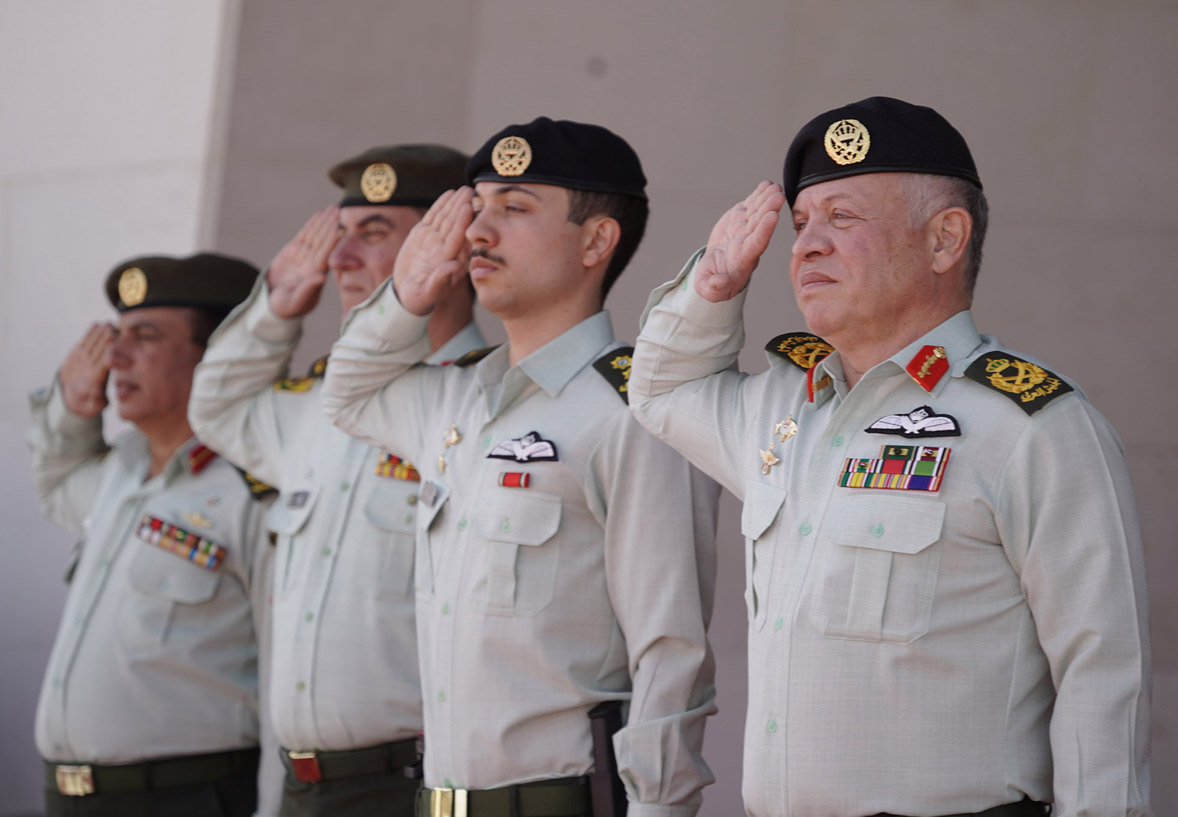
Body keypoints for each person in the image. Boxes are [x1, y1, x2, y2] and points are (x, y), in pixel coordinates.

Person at [628, 96, 1152, 817]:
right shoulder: (785, 408)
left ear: (944, 240)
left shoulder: (1032, 427)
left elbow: (1104, 676)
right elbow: (658, 390)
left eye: (843, 218)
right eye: (802, 222)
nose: (807, 244)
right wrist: (711, 285)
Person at [321, 117, 720, 817]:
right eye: (476, 208)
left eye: (514, 208)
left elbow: (670, 655)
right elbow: (348, 394)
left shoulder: (634, 414)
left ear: (596, 241)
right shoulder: (455, 398)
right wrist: (407, 294)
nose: (477, 231)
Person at [189, 144, 482, 817]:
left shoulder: (485, 399)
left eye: (374, 235)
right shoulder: (312, 406)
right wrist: (275, 308)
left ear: (455, 249)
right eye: (340, 237)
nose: (340, 260)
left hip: (417, 782)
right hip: (303, 785)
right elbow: (215, 409)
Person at [29, 253, 277, 817]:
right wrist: (72, 408)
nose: (115, 357)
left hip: (189, 797)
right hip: (74, 799)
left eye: (144, 337)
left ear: (215, 356)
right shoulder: (123, 469)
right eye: (114, 336)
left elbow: (289, 681)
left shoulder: (256, 488)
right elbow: (55, 482)